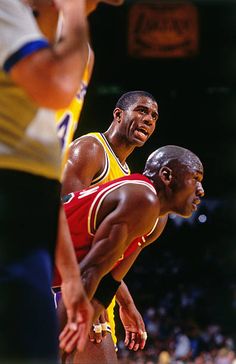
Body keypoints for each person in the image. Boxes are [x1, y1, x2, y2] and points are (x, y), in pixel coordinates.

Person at [0, 0, 94, 362]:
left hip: (32, 220)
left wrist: (70, 278)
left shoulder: (77, 49)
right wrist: (73, 9)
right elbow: (56, 87)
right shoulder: (13, 15)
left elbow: (43, 168)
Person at [55, 144, 205, 363]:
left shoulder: (156, 220)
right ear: (166, 175)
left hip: (54, 272)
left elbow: (108, 282)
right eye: (196, 178)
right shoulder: (142, 198)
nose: (201, 189)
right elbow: (88, 273)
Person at [59, 90, 159, 363]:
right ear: (118, 114)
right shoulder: (91, 149)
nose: (148, 119)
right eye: (141, 111)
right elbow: (63, 223)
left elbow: (108, 254)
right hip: (68, 284)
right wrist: (90, 298)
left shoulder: (127, 177)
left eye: (153, 116)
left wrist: (125, 303)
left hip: (98, 289)